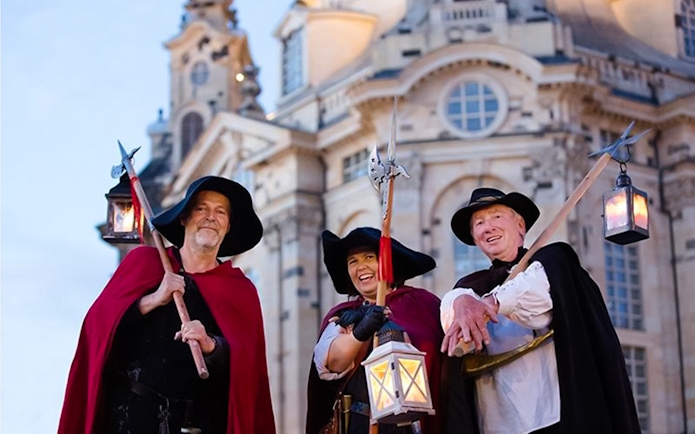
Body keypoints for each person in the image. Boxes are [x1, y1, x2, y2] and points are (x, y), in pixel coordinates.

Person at [58, 176, 276, 434]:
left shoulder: (240, 290)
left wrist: (212, 346)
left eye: (220, 212)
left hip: (200, 424)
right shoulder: (144, 263)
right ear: (184, 218)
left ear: (228, 226)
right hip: (132, 418)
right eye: (201, 208)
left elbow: (248, 369)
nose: (210, 217)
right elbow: (97, 328)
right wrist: (153, 299)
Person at [440, 187, 641, 434]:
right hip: (496, 421)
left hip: (551, 416)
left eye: (496, 217)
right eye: (479, 223)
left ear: (521, 226)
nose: (487, 227)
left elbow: (536, 296)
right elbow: (453, 317)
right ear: (474, 236)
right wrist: (460, 302)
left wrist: (491, 303)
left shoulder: (551, 263)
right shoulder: (469, 287)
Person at [306, 227, 444, 434]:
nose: (360, 267)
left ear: (388, 263)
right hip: (358, 424)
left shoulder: (424, 305)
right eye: (353, 262)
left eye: (369, 257)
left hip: (410, 425)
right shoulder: (343, 315)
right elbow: (332, 362)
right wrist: (360, 331)